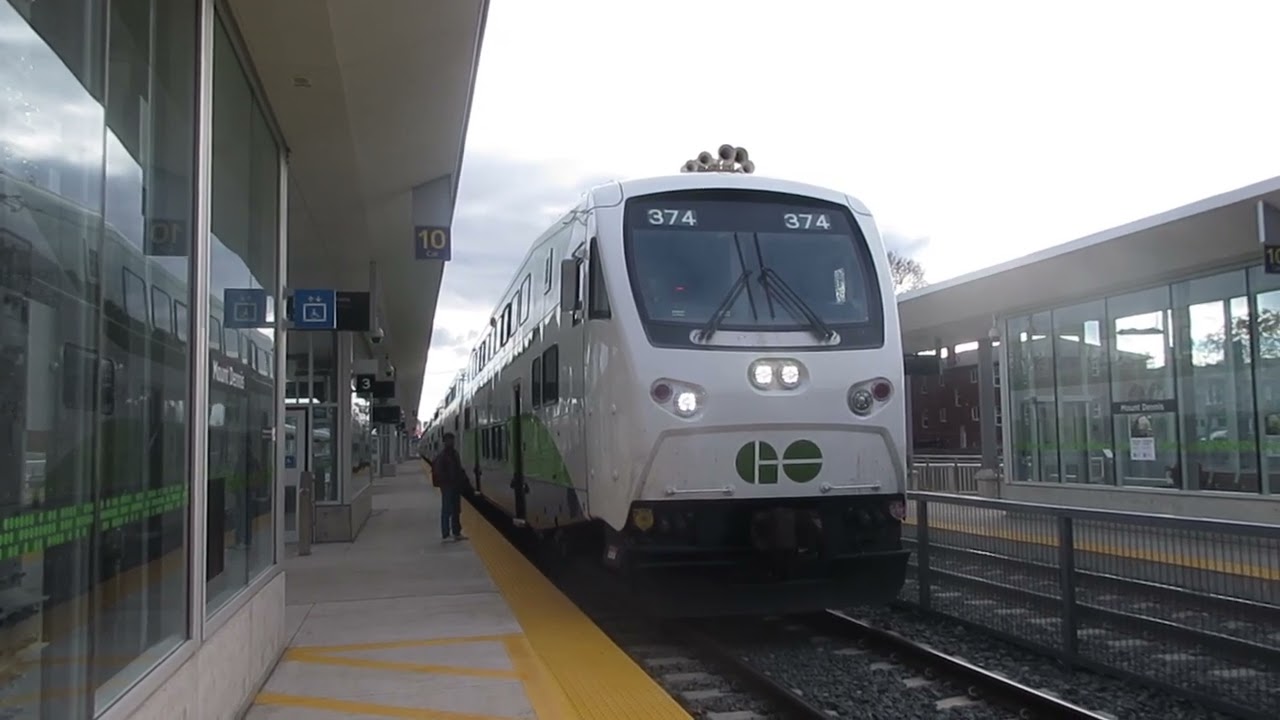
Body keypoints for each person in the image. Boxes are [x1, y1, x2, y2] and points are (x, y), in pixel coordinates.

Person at [431, 432, 469, 542]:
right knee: (447, 509)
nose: (450, 442)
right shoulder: (442, 456)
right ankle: (446, 533)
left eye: (451, 440)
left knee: (456, 510)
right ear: (444, 442)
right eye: (448, 440)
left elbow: (459, 468)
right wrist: (446, 481)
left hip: (456, 486)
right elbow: (439, 472)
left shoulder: (455, 454)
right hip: (447, 486)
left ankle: (457, 532)